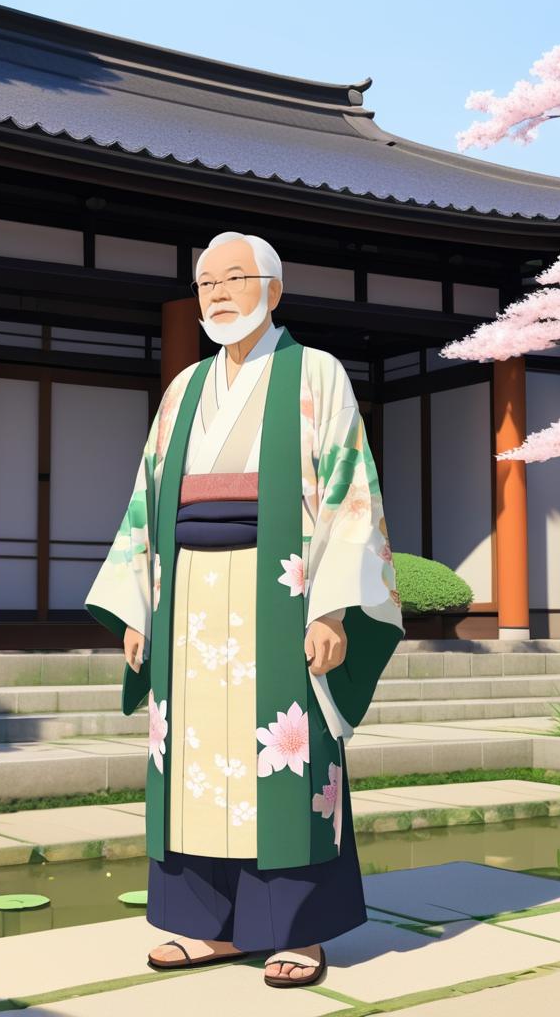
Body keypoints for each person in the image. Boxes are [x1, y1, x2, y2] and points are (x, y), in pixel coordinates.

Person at [85, 231, 403, 987]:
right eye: (205, 284)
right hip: (189, 601)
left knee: (282, 759)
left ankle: (299, 930)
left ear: (275, 289)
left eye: (235, 277)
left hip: (283, 593)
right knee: (196, 764)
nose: (218, 294)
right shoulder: (183, 390)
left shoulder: (316, 376)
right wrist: (139, 609)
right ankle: (207, 926)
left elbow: (348, 493)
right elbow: (146, 504)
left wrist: (332, 610)